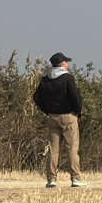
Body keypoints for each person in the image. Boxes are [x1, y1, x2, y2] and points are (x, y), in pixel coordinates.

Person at [32, 52, 84, 187]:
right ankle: (76, 178)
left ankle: (51, 179)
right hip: (68, 116)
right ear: (62, 64)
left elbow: (36, 97)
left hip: (52, 116)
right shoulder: (68, 78)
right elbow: (75, 96)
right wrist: (78, 111)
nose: (68, 64)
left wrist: (47, 110)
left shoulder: (45, 79)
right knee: (71, 148)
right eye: (67, 62)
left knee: (53, 149)